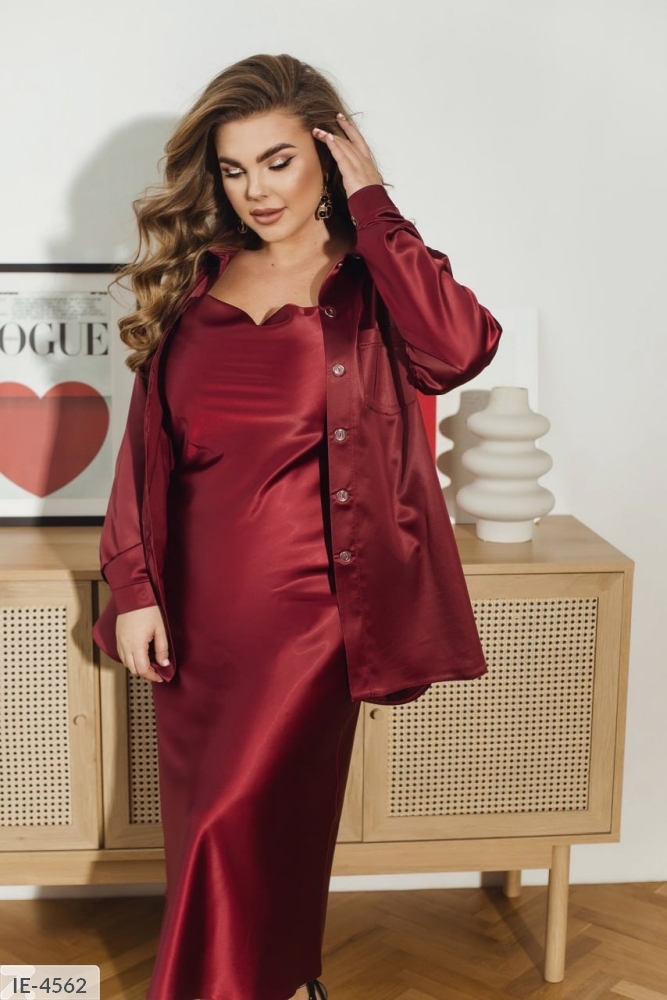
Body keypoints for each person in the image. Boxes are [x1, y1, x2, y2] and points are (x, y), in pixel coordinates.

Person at [92, 53, 502, 1000]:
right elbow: (146, 452)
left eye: (278, 161)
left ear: (329, 154)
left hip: (317, 604)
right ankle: (285, 982)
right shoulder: (194, 281)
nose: (257, 190)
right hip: (197, 611)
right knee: (228, 825)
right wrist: (135, 587)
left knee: (231, 821)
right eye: (235, 169)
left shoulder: (369, 279)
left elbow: (458, 349)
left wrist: (377, 207)